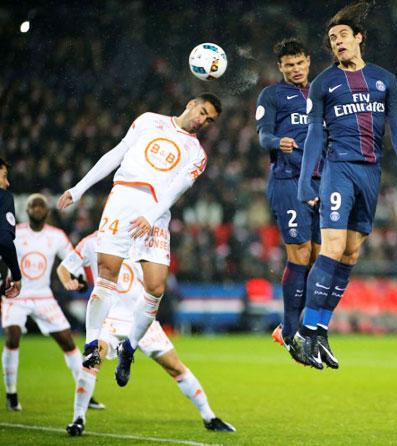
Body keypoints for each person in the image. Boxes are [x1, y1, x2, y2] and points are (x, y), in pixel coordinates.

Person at [295, 1, 397, 369]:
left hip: (372, 172)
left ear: (359, 38)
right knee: (333, 246)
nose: (337, 42)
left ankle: (320, 330)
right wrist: (307, 182)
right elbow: (313, 138)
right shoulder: (323, 84)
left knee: (352, 253)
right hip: (338, 169)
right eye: (331, 39)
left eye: (342, 35)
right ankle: (305, 333)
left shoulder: (385, 80)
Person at [57, 93, 221, 386]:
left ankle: (128, 348)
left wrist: (151, 215)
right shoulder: (148, 121)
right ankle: (92, 345)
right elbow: (116, 154)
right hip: (124, 196)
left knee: (155, 287)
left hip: (156, 212)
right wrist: (79, 189)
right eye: (203, 113)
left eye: (209, 120)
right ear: (190, 104)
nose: (203, 121)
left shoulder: (197, 154)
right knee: (107, 274)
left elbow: (175, 192)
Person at [57, 231, 235, 435]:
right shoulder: (92, 241)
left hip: (141, 319)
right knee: (91, 363)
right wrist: (67, 281)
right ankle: (78, 419)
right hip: (109, 319)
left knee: (176, 367)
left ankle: (209, 417)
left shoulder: (144, 239)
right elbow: (64, 267)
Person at [1, 194, 103, 410]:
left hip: (43, 296)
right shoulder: (15, 232)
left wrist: (80, 281)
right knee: (12, 337)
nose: (37, 208)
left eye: (41, 205)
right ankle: (11, 394)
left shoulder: (56, 236)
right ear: (26, 211)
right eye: (32, 205)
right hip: (16, 295)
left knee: (68, 341)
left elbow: (71, 259)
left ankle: (86, 393)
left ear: (47, 212)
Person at [255, 38, 322, 365]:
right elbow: (263, 134)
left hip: (321, 181)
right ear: (280, 67)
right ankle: (294, 331)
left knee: (320, 259)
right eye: (289, 65)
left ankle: (291, 329)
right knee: (300, 253)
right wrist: (276, 141)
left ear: (308, 61)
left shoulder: (322, 93)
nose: (295, 69)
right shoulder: (272, 95)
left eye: (300, 63)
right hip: (287, 181)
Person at [0, 158, 21, 300]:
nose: (7, 183)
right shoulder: (4, 197)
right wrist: (16, 276)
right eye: (4, 176)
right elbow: (4, 240)